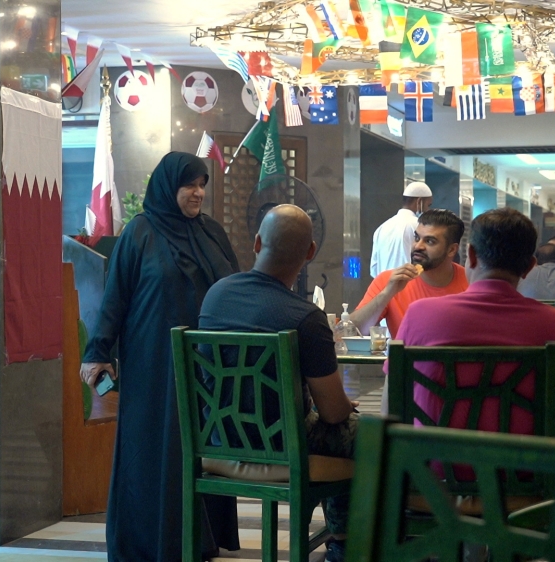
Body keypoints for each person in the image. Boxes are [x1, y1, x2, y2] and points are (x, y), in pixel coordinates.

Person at [79, 152, 240, 562]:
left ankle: (200, 539)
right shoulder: (140, 232)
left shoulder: (212, 233)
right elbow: (114, 297)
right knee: (155, 447)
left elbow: (235, 288)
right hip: (155, 361)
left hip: (208, 364)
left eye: (203, 184)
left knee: (201, 447)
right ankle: (149, 542)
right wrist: (98, 350)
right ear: (170, 187)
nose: (198, 192)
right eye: (190, 185)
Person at [199, 205, 357, 562]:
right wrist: (341, 407)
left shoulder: (216, 296)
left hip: (217, 441)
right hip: (283, 447)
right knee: (371, 437)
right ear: (311, 252)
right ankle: (344, 544)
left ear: (256, 243)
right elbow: (333, 414)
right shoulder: (306, 318)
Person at [396, 209, 555, 463]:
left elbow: (391, 405)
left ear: (469, 255)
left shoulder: (420, 315)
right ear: (529, 267)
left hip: (431, 480)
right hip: (527, 482)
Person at [351, 209, 468, 337]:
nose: (418, 246)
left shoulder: (471, 283)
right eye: (417, 238)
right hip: (405, 358)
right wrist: (386, 294)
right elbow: (353, 332)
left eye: (429, 241)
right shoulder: (389, 281)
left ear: (451, 250)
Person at [369, 181, 434, 277]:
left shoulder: (381, 228)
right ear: (419, 202)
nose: (428, 210)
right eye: (428, 205)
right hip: (408, 287)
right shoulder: (419, 226)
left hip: (385, 288)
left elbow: (374, 270)